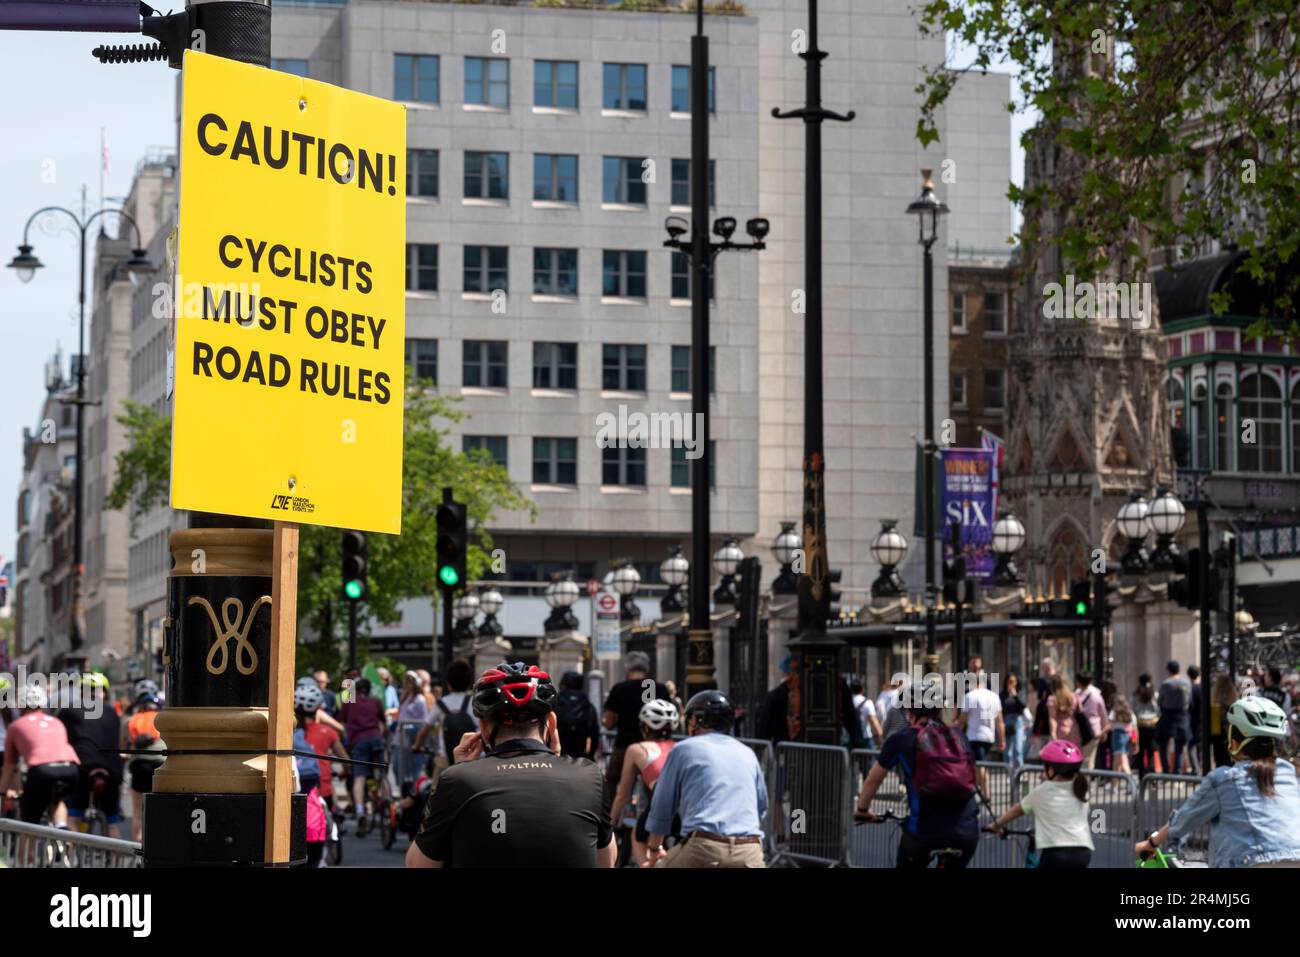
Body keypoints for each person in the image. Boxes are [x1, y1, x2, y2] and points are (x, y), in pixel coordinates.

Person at [406, 662, 615, 868]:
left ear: (484, 729)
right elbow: (607, 862)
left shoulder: (459, 780)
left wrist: (457, 773)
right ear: (551, 723)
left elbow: (417, 864)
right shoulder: (589, 776)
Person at [1137, 696, 1300, 867]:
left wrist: (1151, 843)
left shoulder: (1224, 779)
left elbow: (1184, 820)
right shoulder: (1291, 774)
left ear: (1234, 742)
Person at [855, 680, 980, 869]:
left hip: (924, 831)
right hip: (967, 831)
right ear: (939, 711)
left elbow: (873, 780)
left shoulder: (902, 739)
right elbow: (973, 777)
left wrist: (862, 810)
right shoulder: (958, 736)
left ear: (909, 713)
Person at [643, 690, 767, 868]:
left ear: (696, 720)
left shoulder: (683, 749)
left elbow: (662, 806)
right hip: (750, 851)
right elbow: (761, 806)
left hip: (705, 848)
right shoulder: (747, 752)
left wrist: (654, 848)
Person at [987, 739, 1093, 868]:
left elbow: (1017, 810)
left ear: (1052, 770)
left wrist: (995, 825)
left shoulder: (1043, 791)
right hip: (1083, 852)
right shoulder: (1082, 789)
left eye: (1045, 767)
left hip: (1056, 853)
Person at [610, 699, 681, 865]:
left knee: (638, 833)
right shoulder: (681, 747)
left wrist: (610, 827)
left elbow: (622, 796)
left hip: (661, 806)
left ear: (645, 726)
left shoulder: (638, 749)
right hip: (686, 810)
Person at [0, 683, 80, 825]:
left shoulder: (16, 725)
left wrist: (2, 791)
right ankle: (62, 831)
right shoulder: (56, 721)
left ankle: (28, 844)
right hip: (71, 768)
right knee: (58, 800)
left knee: (29, 823)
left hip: (42, 770)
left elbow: (10, 766)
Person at [60, 672, 125, 838]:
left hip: (82, 768)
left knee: (73, 817)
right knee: (112, 822)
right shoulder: (113, 713)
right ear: (105, 692)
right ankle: (115, 862)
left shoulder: (69, 711)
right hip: (110, 771)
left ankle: (72, 858)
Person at [602, 652, 670, 796]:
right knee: (655, 785)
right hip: (654, 747)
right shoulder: (660, 688)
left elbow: (608, 723)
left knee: (611, 780)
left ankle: (609, 812)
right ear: (647, 668)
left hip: (625, 745)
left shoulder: (619, 689)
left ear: (627, 668)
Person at [414, 658, 478, 777]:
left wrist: (417, 746)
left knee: (436, 793)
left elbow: (425, 730)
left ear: (448, 683)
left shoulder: (441, 704)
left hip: (446, 760)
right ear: (469, 682)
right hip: (472, 758)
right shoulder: (474, 702)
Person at [338, 677, 386, 830]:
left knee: (359, 778)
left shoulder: (348, 703)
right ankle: (385, 801)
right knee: (380, 774)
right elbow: (384, 723)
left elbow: (341, 724)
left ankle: (360, 812)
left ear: (355, 690)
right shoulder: (376, 702)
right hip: (376, 739)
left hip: (358, 742)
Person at [297, 683, 347, 810]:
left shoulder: (288, 734)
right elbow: (345, 760)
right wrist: (345, 772)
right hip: (322, 790)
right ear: (318, 708)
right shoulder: (328, 732)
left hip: (294, 790)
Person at [124, 687, 165, 842]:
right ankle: (160, 841)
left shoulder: (132, 720)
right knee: (162, 806)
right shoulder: (163, 719)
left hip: (139, 764)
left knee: (137, 811)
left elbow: (125, 745)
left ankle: (138, 847)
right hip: (160, 764)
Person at [957, 662, 1004, 799]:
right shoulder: (994, 696)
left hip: (974, 736)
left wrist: (956, 733)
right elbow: (1000, 721)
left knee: (979, 765)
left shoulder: (970, 696)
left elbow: (962, 719)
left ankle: (985, 794)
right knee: (979, 764)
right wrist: (1002, 740)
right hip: (989, 737)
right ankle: (976, 791)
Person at [1155, 660, 1192, 775]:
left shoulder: (1166, 684)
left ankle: (1165, 771)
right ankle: (1177, 771)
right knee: (1179, 747)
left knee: (1163, 745)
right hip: (1182, 715)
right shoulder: (1186, 683)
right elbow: (1189, 700)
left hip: (1167, 715)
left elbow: (1160, 701)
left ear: (1168, 670)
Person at [555, 671, 600, 760]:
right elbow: (595, 734)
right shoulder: (589, 706)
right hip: (580, 755)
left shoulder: (555, 703)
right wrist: (590, 755)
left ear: (562, 685)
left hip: (559, 755)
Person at [1075, 671, 1107, 768]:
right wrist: (1103, 731)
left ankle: (1084, 781)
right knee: (1087, 759)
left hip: (1084, 730)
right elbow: (1103, 714)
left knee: (1086, 759)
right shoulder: (1096, 694)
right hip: (1091, 730)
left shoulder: (1077, 695)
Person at [1210, 673, 1238, 769]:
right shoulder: (1235, 707)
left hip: (1219, 748)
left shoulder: (1215, 709)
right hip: (1234, 747)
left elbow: (1214, 733)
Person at [1133, 673, 1160, 774]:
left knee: (1140, 751)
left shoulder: (1135, 695)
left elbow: (1133, 710)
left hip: (1140, 725)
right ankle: (1151, 774)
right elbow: (1158, 710)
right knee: (1151, 751)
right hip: (1153, 725)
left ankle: (1142, 774)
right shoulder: (1155, 694)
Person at [1001, 673, 1027, 769]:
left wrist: (1015, 696)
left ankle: (1020, 771)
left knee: (1018, 749)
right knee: (1007, 751)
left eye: (1013, 682)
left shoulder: (1020, 693)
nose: (1011, 684)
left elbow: (1023, 706)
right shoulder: (1002, 695)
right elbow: (999, 709)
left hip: (1017, 721)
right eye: (1009, 682)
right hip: (1006, 721)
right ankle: (1008, 771)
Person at [1048, 675, 1080, 745]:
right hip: (1074, 730)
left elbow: (1053, 718)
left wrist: (1053, 733)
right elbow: (1080, 711)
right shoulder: (1074, 696)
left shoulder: (1053, 699)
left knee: (1060, 754)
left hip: (1060, 731)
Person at [850, 681, 883, 750]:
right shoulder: (867, 702)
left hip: (850, 738)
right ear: (862, 689)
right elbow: (873, 721)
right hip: (865, 738)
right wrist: (880, 736)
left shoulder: (848, 702)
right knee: (869, 759)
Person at [1108, 695, 1135, 774]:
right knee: (1117, 762)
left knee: (1123, 761)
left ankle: (1131, 782)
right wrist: (1135, 742)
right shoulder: (1129, 712)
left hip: (1117, 736)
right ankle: (1115, 784)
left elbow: (1109, 723)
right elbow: (1134, 727)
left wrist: (1102, 732)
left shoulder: (1114, 711)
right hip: (1127, 735)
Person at [1187, 664, 1203, 774]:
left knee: (1192, 746)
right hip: (1202, 721)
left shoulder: (1189, 689)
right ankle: (1201, 766)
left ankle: (1195, 769)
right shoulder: (1203, 688)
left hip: (1191, 720)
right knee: (1200, 746)